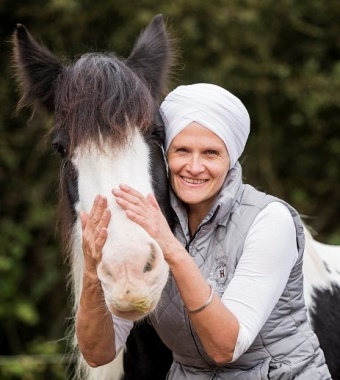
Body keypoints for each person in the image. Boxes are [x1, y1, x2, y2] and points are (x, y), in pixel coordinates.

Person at [77, 83, 331, 379]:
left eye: (211, 153)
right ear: (164, 155)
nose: (194, 167)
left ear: (231, 158)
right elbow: (98, 354)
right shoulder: (147, 223)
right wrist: (92, 269)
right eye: (182, 150)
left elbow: (225, 347)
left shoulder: (270, 220)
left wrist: (170, 247)